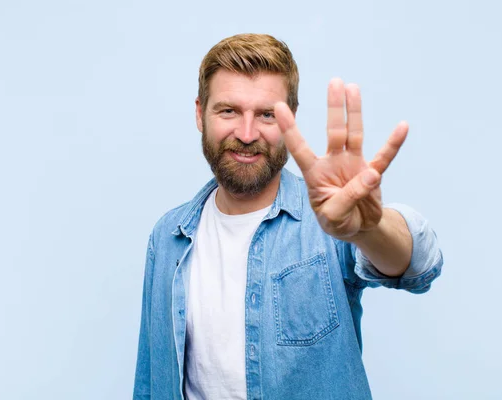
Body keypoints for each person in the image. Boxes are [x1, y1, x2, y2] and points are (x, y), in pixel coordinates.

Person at [133, 33, 443, 400]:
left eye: (267, 114)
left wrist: (369, 229)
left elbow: (419, 265)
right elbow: (151, 381)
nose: (247, 134)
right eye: (228, 110)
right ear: (200, 113)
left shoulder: (328, 224)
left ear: (291, 119)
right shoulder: (167, 236)